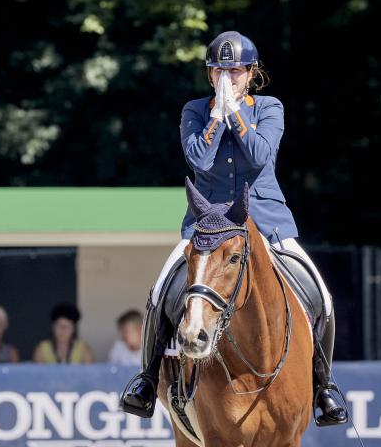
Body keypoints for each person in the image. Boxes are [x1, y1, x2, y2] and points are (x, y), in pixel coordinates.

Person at [120, 30, 348, 426]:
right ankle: (146, 379)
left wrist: (236, 113)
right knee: (160, 293)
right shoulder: (194, 110)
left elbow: (260, 156)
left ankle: (324, 386)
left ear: (250, 73)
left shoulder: (270, 107)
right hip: (206, 227)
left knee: (322, 297)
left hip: (268, 224)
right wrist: (215, 116)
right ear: (210, 74)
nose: (228, 77)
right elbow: (199, 160)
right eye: (220, 70)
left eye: (236, 71)